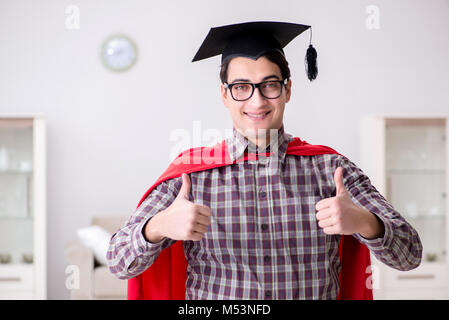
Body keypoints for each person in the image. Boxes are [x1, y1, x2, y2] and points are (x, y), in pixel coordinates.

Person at [107, 21, 422, 300]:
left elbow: (410, 255)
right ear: (224, 94)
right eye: (242, 87)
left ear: (287, 90)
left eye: (269, 85)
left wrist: (365, 222)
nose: (257, 101)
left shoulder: (332, 169)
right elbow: (118, 262)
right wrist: (158, 226)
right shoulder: (190, 178)